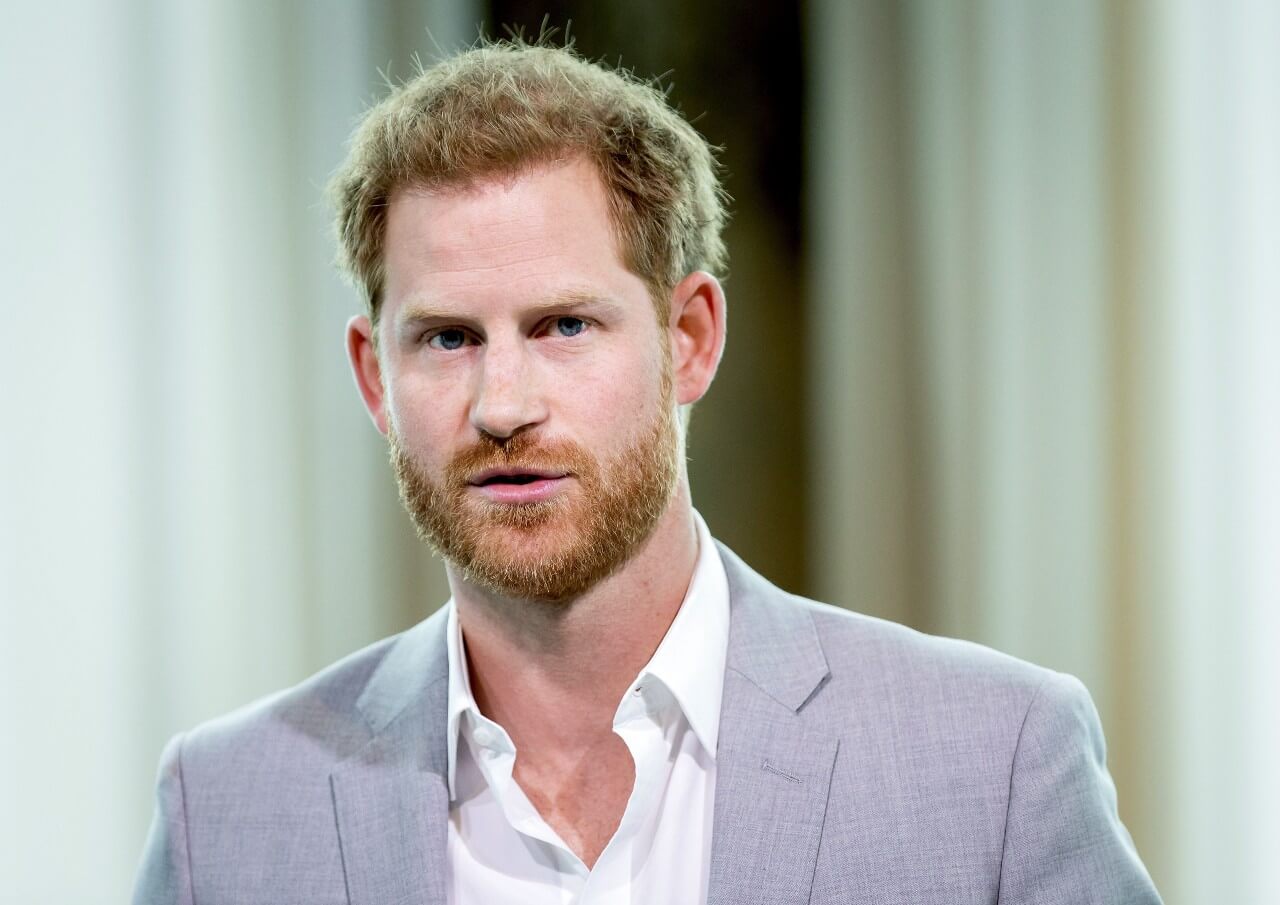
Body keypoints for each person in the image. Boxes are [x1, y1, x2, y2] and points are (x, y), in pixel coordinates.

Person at [132, 40, 1162, 905]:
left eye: (563, 325)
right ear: (372, 374)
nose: (502, 404)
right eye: (446, 338)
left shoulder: (991, 764)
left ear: (691, 338)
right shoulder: (225, 813)